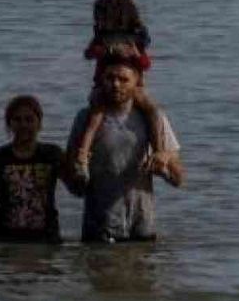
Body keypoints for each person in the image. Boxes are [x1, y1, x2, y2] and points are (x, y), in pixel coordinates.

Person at [63, 51, 184, 243]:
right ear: (100, 79)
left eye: (123, 79)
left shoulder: (153, 119)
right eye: (110, 78)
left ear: (137, 82)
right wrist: (79, 176)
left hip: (142, 227)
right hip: (100, 230)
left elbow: (179, 179)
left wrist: (164, 167)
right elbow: (73, 186)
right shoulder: (85, 119)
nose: (116, 84)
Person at [74, 0, 164, 174]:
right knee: (96, 113)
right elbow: (88, 54)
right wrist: (106, 50)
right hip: (102, 86)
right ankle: (83, 155)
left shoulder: (135, 38)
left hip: (134, 88)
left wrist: (134, 55)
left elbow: (146, 65)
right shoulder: (101, 38)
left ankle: (160, 152)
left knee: (153, 110)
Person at [0, 95, 65, 242]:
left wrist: (80, 164)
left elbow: (76, 187)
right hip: (5, 240)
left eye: (29, 120)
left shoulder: (52, 155)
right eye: (17, 120)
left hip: (46, 240)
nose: (23, 125)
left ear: (39, 124)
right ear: (9, 124)